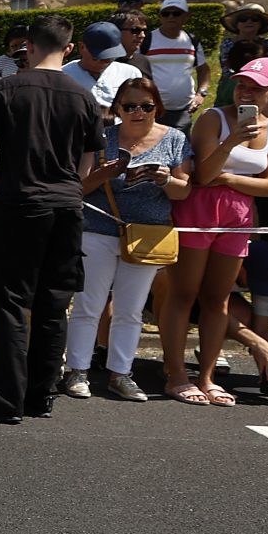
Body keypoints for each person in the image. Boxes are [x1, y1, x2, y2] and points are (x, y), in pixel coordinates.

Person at [0, 16, 107, 424]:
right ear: (68, 49)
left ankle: (5, 398)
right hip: (68, 206)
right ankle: (41, 395)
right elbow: (87, 166)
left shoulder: (2, 91)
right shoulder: (85, 98)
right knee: (53, 304)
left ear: (27, 47)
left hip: (20, 202)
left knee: (10, 302)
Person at [160, 56, 268, 407]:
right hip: (199, 210)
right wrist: (231, 144)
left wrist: (230, 178)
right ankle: (176, 374)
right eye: (242, 84)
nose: (245, 92)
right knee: (184, 293)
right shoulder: (212, 118)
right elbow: (202, 174)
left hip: (238, 216)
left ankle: (207, 377)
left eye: (256, 88)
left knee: (218, 298)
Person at [59, 76, 191, 403]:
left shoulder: (175, 138)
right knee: (89, 304)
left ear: (157, 107)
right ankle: (76, 370)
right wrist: (108, 172)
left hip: (148, 233)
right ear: (117, 108)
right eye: (129, 106)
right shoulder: (102, 138)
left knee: (131, 310)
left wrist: (165, 179)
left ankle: (121, 373)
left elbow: (185, 189)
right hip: (99, 228)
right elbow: (81, 186)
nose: (137, 112)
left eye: (146, 106)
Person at [141, 0, 206, 120]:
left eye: (176, 13)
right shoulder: (147, 40)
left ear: (186, 17)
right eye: (166, 14)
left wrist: (201, 94)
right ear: (160, 17)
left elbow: (203, 70)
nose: (171, 17)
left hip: (183, 111)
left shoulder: (192, 41)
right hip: (152, 109)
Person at [64, 22, 140, 112]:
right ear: (82, 47)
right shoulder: (63, 75)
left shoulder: (130, 73)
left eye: (110, 58)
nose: (104, 62)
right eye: (98, 58)